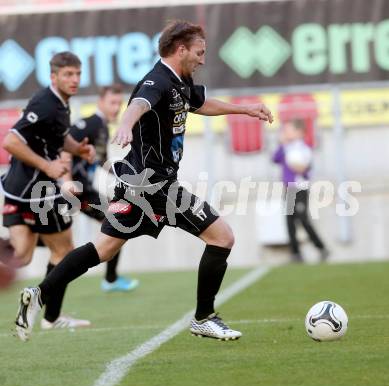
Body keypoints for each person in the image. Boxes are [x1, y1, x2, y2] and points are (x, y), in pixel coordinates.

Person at [14, 20, 273, 342]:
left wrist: (246, 109)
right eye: (199, 52)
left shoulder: (181, 80)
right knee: (222, 238)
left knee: (104, 249)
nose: (203, 59)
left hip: (137, 186)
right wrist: (125, 125)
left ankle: (38, 294)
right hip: (156, 186)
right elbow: (139, 103)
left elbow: (200, 103)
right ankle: (204, 317)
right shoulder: (157, 79)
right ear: (181, 50)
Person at [0, 51, 95, 334]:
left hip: (18, 190)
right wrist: (48, 166)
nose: (74, 79)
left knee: (22, 255)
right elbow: (11, 141)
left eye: (77, 74)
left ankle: (50, 315)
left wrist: (76, 148)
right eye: (68, 74)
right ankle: (51, 317)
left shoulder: (59, 104)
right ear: (54, 77)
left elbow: (55, 137)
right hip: (38, 192)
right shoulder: (46, 103)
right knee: (65, 252)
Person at [65, 84, 139, 292]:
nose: (116, 108)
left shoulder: (103, 127)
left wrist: (125, 177)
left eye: (119, 103)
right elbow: (63, 147)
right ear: (101, 103)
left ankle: (111, 278)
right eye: (112, 103)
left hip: (83, 191)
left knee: (118, 217)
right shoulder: (89, 124)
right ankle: (110, 278)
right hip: (71, 191)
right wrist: (67, 181)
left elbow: (100, 160)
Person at [272, 119, 329, 262]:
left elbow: (306, 170)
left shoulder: (304, 149)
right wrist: (282, 144)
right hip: (290, 189)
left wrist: (298, 167)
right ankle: (295, 253)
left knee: (303, 219)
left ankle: (321, 247)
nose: (285, 133)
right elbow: (275, 158)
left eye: (289, 130)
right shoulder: (287, 148)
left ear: (299, 132)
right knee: (289, 220)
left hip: (300, 188)